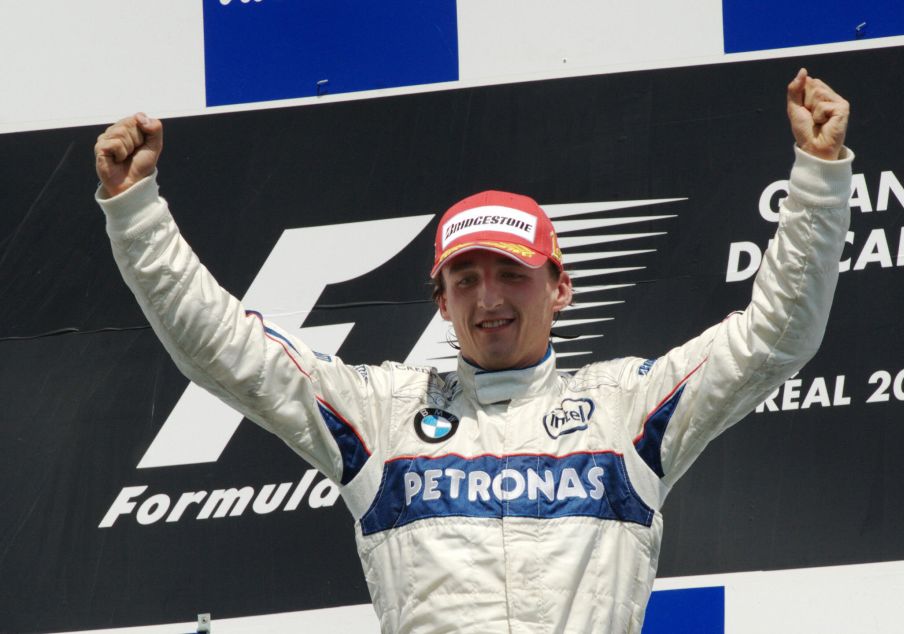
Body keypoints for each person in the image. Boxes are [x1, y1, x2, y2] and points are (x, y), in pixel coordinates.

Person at [95, 68, 851, 633]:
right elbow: (223, 350)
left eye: (510, 275)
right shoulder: (382, 415)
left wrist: (817, 180)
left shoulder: (628, 409)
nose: (488, 299)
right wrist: (136, 213)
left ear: (559, 286)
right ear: (441, 302)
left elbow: (777, 335)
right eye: (465, 279)